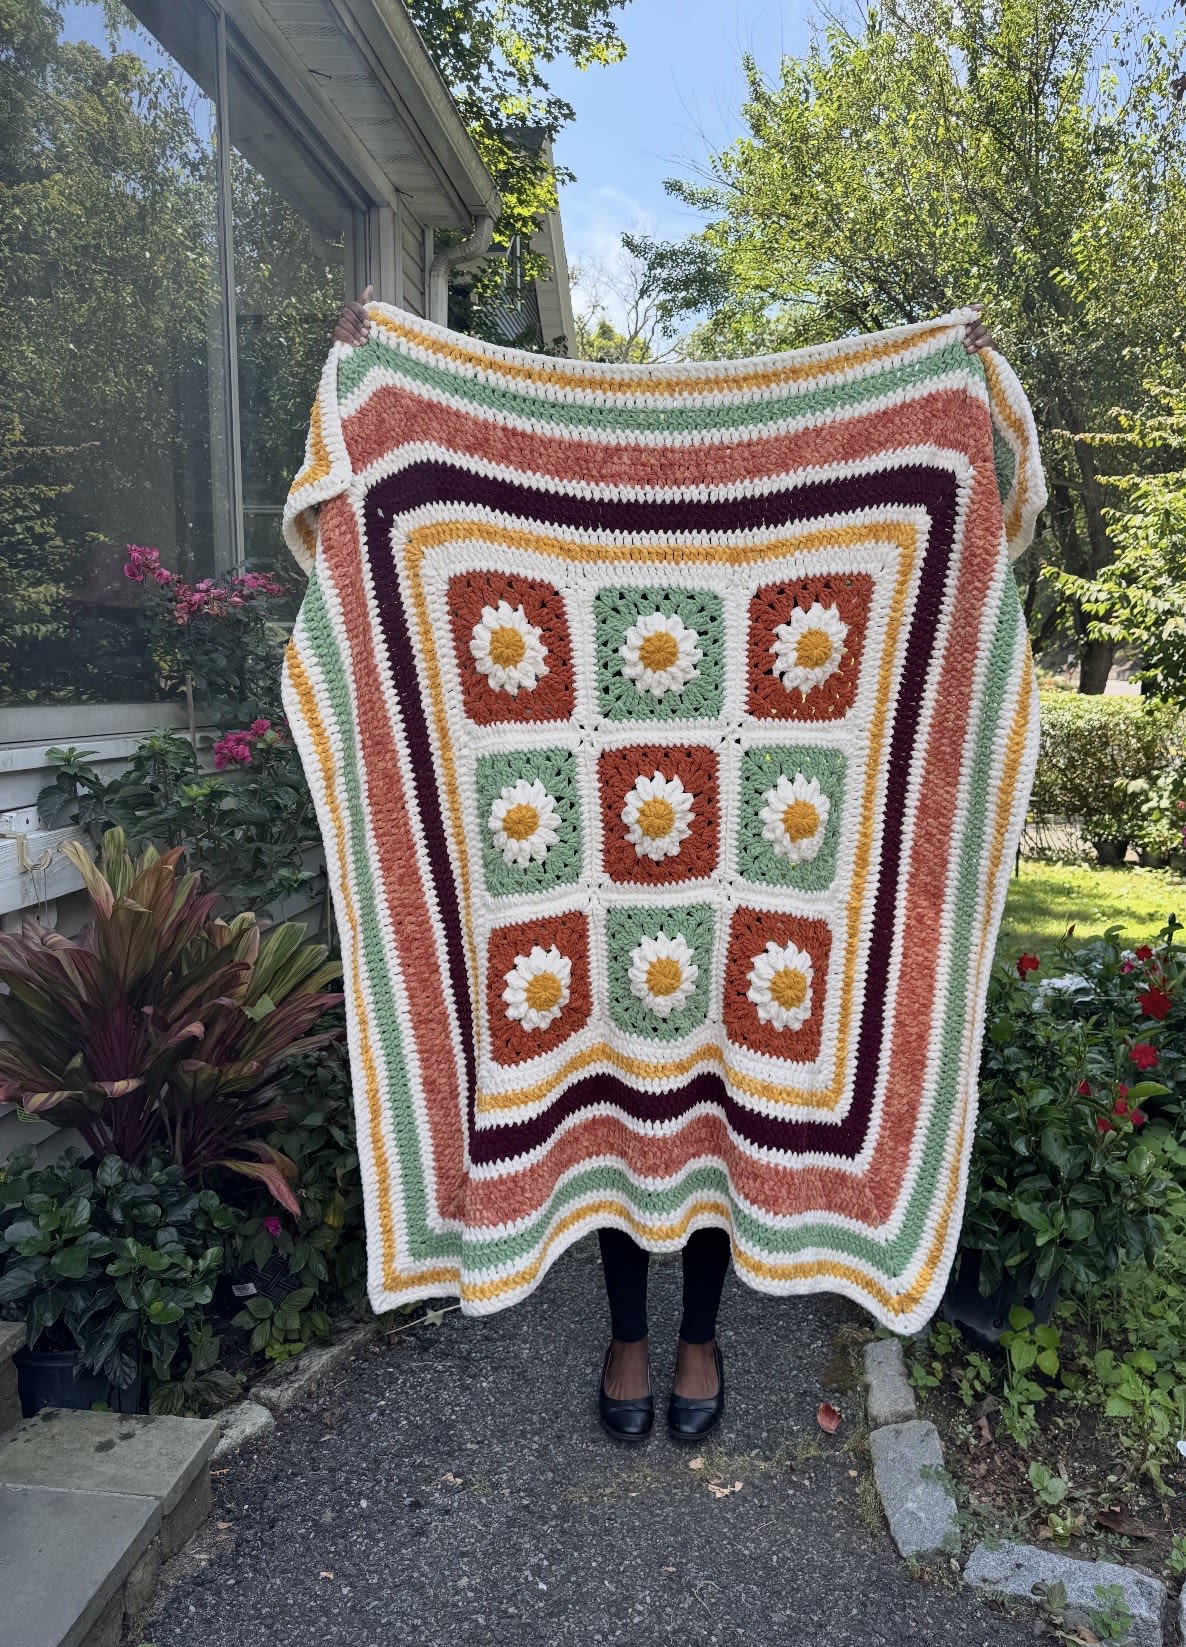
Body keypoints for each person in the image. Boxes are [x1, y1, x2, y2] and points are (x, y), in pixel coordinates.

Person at [329, 289, 997, 1443]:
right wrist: (378, 381)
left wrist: (947, 380)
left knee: (710, 1111)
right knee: (610, 1110)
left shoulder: (755, 539)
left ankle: (699, 1337)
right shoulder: (587, 546)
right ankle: (628, 1336)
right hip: (592, 890)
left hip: (737, 892)